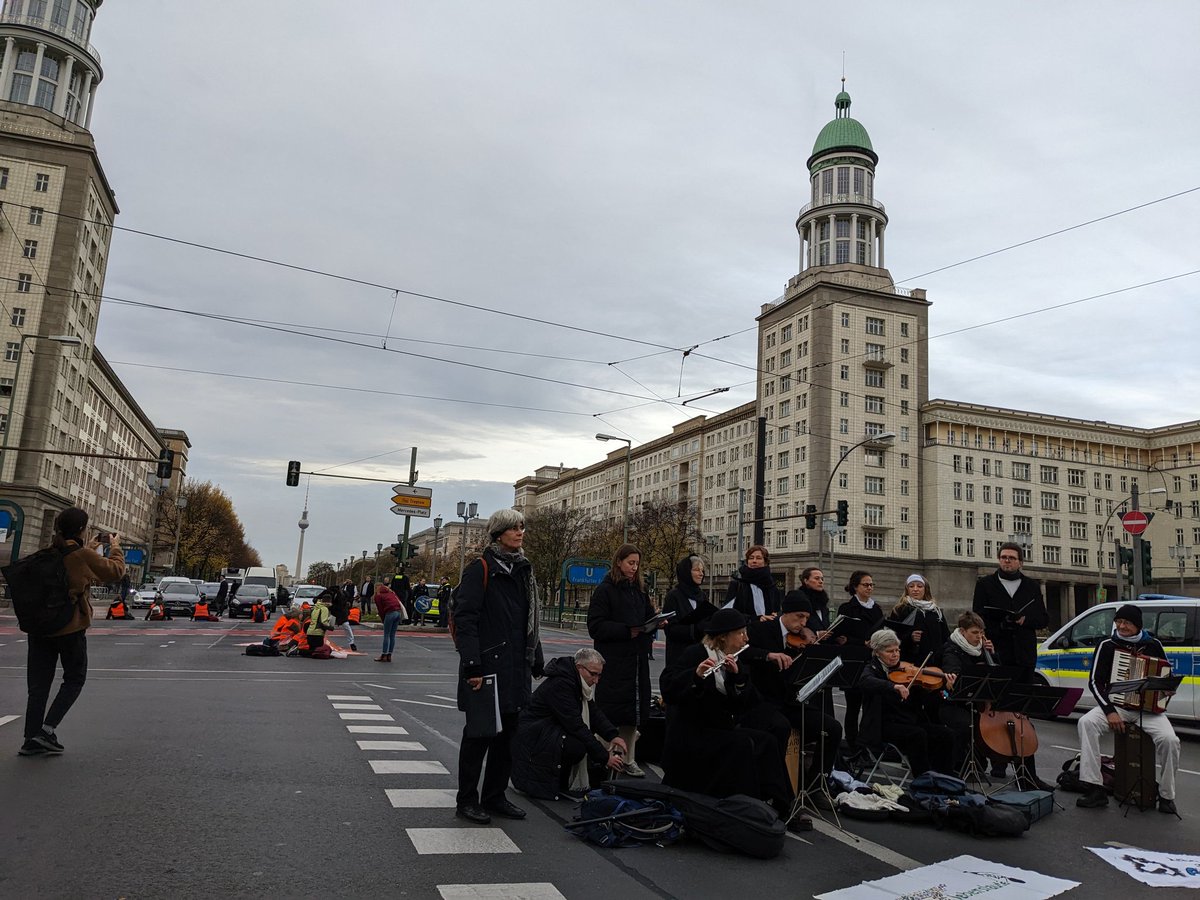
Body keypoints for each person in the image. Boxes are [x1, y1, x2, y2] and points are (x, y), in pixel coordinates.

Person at [659, 608, 804, 831]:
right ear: (723, 636)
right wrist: (696, 676)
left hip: (718, 728)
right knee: (742, 745)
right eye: (741, 633)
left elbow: (747, 703)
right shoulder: (695, 653)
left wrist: (737, 679)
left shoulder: (734, 659)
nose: (746, 639)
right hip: (692, 732)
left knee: (767, 741)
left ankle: (782, 805)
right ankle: (746, 808)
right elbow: (669, 689)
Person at [454, 509, 543, 825]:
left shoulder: (524, 570)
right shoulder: (480, 569)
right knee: (479, 735)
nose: (519, 532)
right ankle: (467, 799)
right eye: (513, 528)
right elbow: (465, 620)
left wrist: (536, 657)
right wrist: (472, 665)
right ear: (497, 534)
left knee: (508, 738)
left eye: (522, 527)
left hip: (516, 666)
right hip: (487, 666)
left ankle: (494, 796)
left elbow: (528, 620)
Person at [20, 508, 126, 757]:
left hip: (39, 627)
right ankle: (47, 730)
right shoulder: (82, 555)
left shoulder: (47, 552)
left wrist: (88, 547)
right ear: (81, 530)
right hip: (69, 625)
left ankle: (30, 738)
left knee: (38, 686)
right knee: (74, 678)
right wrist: (115, 547)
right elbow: (115, 572)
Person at [1076, 604, 1181, 814]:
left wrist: (1167, 689)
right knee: (1086, 722)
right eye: (1118, 621)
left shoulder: (1153, 644)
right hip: (1117, 706)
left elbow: (1166, 676)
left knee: (1170, 741)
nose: (1121, 626)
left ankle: (1167, 796)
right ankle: (1095, 787)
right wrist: (1109, 711)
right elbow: (1095, 682)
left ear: (1138, 625)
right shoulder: (1107, 645)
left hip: (1148, 710)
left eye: (1127, 623)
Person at [743, 592, 843, 795]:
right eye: (799, 616)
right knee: (781, 727)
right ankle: (778, 789)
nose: (803, 622)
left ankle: (815, 786)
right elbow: (743, 651)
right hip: (764, 700)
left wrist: (813, 655)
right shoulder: (761, 629)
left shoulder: (802, 638)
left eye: (806, 617)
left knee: (832, 728)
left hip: (790, 702)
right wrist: (768, 655)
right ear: (785, 612)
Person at [971, 542, 1049, 779]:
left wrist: (1025, 620)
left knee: (1021, 714)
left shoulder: (1031, 586)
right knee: (997, 711)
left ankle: (1025, 770)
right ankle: (998, 762)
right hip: (998, 655)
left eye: (1012, 558)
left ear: (1020, 562)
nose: (1007, 561)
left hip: (1024, 657)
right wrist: (999, 626)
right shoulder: (985, 584)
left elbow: (1043, 618)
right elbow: (977, 617)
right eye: (1003, 557)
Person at [587, 543, 662, 778]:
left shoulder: (639, 590)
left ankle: (629, 758)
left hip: (636, 660)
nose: (634, 568)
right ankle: (603, 758)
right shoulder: (605, 590)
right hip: (614, 661)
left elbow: (647, 618)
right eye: (630, 563)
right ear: (618, 562)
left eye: (637, 564)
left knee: (633, 714)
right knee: (610, 712)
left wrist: (656, 623)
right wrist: (626, 630)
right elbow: (595, 626)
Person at [511, 648, 626, 800]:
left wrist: (612, 735)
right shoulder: (562, 685)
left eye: (599, 675)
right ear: (579, 667)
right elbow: (575, 725)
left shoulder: (574, 680)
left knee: (578, 742)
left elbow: (593, 712)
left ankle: (561, 780)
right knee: (576, 746)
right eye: (593, 674)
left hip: (546, 730)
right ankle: (558, 782)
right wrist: (605, 758)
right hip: (533, 734)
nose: (596, 680)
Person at [856, 628, 954, 777]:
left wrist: (943, 688)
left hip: (910, 720)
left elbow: (925, 698)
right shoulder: (872, 669)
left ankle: (945, 777)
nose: (895, 654)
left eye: (897, 650)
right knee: (917, 735)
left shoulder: (905, 668)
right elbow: (864, 682)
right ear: (877, 652)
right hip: (884, 725)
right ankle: (923, 778)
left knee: (946, 734)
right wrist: (893, 686)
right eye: (890, 651)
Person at [938, 611, 997, 776]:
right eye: (975, 632)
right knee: (965, 725)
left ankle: (991, 763)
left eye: (981, 632)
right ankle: (955, 766)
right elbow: (952, 672)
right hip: (952, 703)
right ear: (963, 631)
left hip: (977, 703)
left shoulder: (982, 649)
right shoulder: (951, 649)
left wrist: (992, 655)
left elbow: (996, 675)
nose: (979, 637)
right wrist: (952, 677)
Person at [836, 570, 884, 746]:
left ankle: (867, 742)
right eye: (866, 584)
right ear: (856, 587)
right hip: (854, 661)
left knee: (871, 706)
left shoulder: (876, 609)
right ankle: (851, 742)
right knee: (853, 706)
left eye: (871, 585)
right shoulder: (847, 608)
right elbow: (841, 637)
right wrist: (861, 642)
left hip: (872, 661)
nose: (869, 588)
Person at [661, 555, 718, 667]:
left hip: (699, 655)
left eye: (702, 570)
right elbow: (670, 629)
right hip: (679, 655)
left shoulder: (702, 596)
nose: (701, 574)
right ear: (686, 572)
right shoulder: (673, 596)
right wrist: (695, 629)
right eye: (696, 570)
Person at [887, 574, 949, 666]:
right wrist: (910, 637)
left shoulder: (936, 611)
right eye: (911, 586)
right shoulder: (900, 609)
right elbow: (892, 636)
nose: (915, 589)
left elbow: (945, 636)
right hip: (909, 661)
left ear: (925, 589)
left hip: (934, 662)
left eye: (919, 586)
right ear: (907, 589)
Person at [724, 544, 781, 621]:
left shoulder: (772, 587)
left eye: (758, 558)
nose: (754, 561)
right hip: (746, 628)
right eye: (751, 558)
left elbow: (778, 611)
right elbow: (727, 613)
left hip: (767, 627)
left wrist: (777, 615)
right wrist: (756, 618)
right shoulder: (737, 585)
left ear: (765, 562)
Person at [374, 581, 403, 662]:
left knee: (386, 635)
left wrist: (383, 619)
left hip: (390, 613)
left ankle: (384, 655)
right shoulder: (391, 592)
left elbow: (380, 609)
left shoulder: (378, 595)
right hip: (398, 613)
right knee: (392, 635)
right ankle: (389, 655)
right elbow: (398, 601)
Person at [330, 582, 358, 652]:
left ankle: (352, 643)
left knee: (346, 626)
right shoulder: (332, 594)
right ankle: (320, 640)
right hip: (334, 613)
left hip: (341, 613)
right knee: (327, 625)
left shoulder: (343, 595)